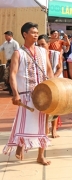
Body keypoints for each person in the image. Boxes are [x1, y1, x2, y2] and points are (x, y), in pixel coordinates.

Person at [3, 22, 54, 165]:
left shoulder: (43, 51)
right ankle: (20, 145)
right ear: (25, 34)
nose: (36, 34)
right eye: (33, 32)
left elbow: (49, 70)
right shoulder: (17, 53)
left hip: (44, 94)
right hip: (26, 94)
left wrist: (54, 87)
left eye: (37, 32)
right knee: (24, 122)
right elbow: (12, 75)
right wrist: (15, 93)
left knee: (44, 125)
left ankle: (40, 155)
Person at [37, 34, 63, 138]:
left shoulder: (55, 54)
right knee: (43, 106)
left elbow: (60, 68)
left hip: (54, 83)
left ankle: (54, 130)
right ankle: (44, 129)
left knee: (55, 107)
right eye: (38, 45)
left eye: (42, 44)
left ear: (48, 44)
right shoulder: (36, 55)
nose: (40, 47)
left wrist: (52, 79)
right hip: (42, 85)